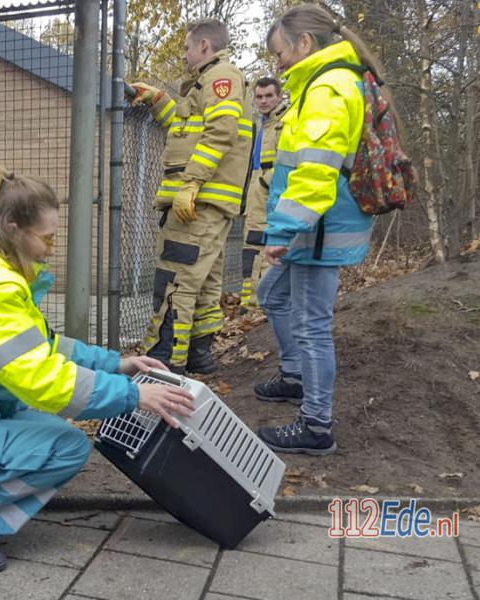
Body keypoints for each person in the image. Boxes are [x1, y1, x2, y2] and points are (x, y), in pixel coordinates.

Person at [0, 166, 196, 574]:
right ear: (13, 227)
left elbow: (38, 345)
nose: (52, 246)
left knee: (41, 422)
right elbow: (44, 382)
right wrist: (133, 395)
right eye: (47, 237)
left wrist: (115, 363)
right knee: (67, 446)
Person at [255, 4, 391, 455]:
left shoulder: (328, 89)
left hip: (316, 230)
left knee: (313, 325)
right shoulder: (321, 84)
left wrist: (283, 229)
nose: (277, 64)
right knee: (273, 296)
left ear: (304, 44)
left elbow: (315, 171)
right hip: (313, 228)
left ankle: (316, 426)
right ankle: (295, 376)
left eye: (279, 54)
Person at [130, 19, 253, 376]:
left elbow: (221, 130)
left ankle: (165, 364)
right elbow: (187, 128)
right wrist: (157, 100)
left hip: (197, 203)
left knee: (174, 282)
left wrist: (190, 184)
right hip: (207, 203)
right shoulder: (209, 82)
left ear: (203, 46)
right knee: (203, 283)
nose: (183, 55)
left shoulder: (219, 77)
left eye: (186, 48)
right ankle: (199, 355)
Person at [240, 77, 287, 311]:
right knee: (252, 244)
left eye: (269, 96)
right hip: (257, 193)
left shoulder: (284, 123)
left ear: (279, 96)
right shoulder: (261, 123)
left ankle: (263, 303)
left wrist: (268, 185)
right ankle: (250, 302)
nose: (264, 101)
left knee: (268, 246)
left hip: (270, 194)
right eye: (259, 97)